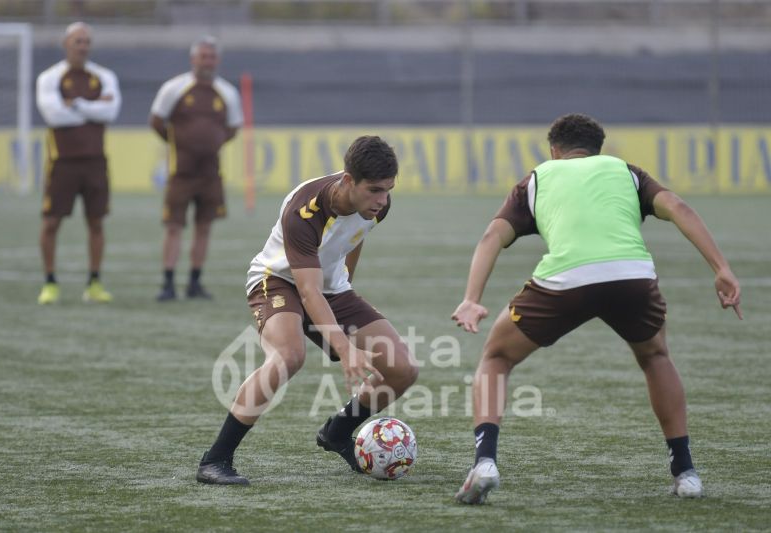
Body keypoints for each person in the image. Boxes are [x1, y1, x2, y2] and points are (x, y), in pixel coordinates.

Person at [452, 113, 742, 504]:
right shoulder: (625, 171)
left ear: (554, 150)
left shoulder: (539, 177)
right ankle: (686, 473)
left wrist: (472, 298)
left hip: (565, 281)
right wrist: (722, 269)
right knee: (656, 356)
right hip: (632, 276)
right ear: (596, 150)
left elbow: (492, 236)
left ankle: (484, 464)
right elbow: (677, 207)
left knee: (497, 357)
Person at [195, 135, 419, 485]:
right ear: (348, 180)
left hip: (330, 288)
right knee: (289, 355)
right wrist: (344, 350)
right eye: (374, 190)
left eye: (388, 189)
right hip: (277, 282)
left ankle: (336, 432)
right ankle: (215, 460)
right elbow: (308, 291)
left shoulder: (378, 205)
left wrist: (347, 284)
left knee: (402, 370)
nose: (382, 199)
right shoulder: (305, 209)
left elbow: (354, 238)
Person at [149, 36, 242, 301]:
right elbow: (156, 121)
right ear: (193, 59)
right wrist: (179, 144)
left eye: (211, 57)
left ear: (217, 61)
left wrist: (211, 143)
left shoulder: (227, 92)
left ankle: (194, 282)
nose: (207, 62)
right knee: (174, 226)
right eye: (203, 57)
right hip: (181, 173)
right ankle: (168, 283)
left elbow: (233, 128)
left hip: (211, 174)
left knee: (204, 227)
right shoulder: (174, 88)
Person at [36, 22, 121, 304]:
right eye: (77, 41)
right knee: (51, 222)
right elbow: (54, 115)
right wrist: (92, 108)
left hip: (96, 162)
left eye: (86, 41)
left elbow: (110, 111)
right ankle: (50, 282)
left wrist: (76, 104)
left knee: (96, 223)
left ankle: (94, 282)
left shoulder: (104, 76)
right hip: (62, 163)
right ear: (66, 44)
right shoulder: (50, 78)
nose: (82, 46)